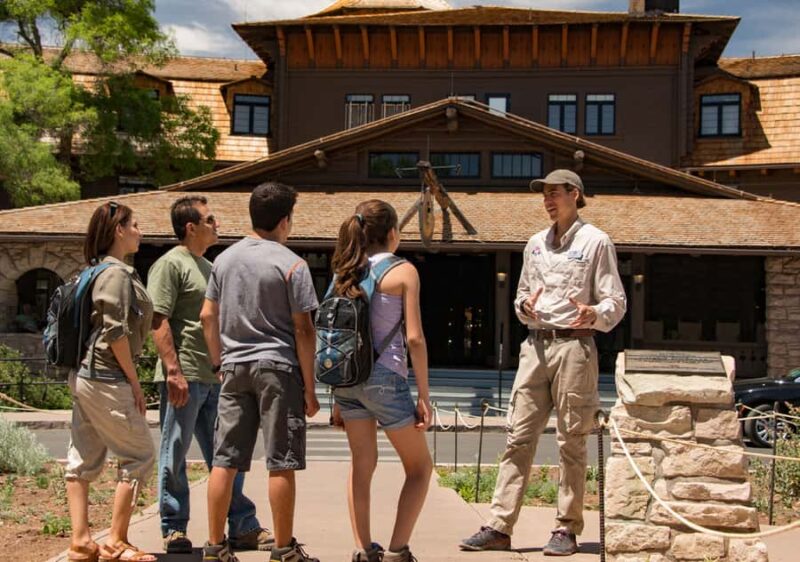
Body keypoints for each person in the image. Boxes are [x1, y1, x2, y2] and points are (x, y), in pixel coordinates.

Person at [461, 169, 626, 556]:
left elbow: (615, 301)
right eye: (545, 195)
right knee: (518, 436)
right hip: (534, 347)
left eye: (555, 193)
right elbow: (520, 296)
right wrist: (524, 306)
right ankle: (499, 527)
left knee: (572, 440)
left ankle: (566, 529)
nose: (548, 201)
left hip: (575, 347)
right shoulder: (534, 244)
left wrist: (595, 314)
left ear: (575, 194)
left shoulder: (596, 241)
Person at [200, 182, 321, 562]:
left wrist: (219, 361)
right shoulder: (292, 265)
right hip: (278, 368)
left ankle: (215, 546)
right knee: (281, 460)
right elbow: (304, 329)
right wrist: (311, 387)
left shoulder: (224, 260)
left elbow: (208, 315)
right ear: (285, 221)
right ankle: (284, 549)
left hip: (234, 367)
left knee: (226, 460)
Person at [148, 196, 273, 553]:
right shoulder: (171, 265)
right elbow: (158, 319)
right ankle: (174, 528)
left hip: (214, 376)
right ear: (191, 227)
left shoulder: (208, 266)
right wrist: (173, 370)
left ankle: (242, 526)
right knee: (175, 452)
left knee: (228, 454)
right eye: (210, 219)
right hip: (184, 376)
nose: (217, 224)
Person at [330, 200, 433, 562]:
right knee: (420, 468)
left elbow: (334, 334)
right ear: (392, 233)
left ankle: (362, 549)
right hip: (385, 378)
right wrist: (424, 395)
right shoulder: (403, 271)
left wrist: (336, 400)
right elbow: (415, 338)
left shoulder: (344, 272)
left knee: (361, 464)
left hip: (346, 380)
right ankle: (397, 550)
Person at [65, 201, 156, 562]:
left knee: (82, 460)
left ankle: (81, 542)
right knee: (140, 456)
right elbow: (115, 332)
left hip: (85, 374)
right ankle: (117, 541)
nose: (140, 231)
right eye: (135, 225)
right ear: (119, 231)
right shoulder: (116, 273)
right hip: (107, 375)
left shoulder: (93, 270)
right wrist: (135, 381)